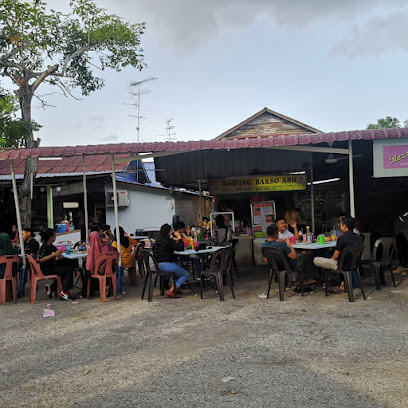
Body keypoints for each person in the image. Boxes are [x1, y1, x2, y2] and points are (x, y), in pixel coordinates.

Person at [313, 216, 363, 290]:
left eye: (341, 225)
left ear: (345, 226)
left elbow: (335, 257)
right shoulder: (359, 238)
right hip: (354, 264)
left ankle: (328, 280)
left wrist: (331, 258)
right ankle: (342, 283)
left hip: (341, 265)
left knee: (315, 259)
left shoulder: (341, 238)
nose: (340, 227)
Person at [153, 223, 189, 298]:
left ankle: (174, 288)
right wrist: (179, 237)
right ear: (168, 232)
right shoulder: (169, 241)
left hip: (157, 266)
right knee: (185, 274)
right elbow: (181, 247)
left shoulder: (156, 241)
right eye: (170, 231)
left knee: (177, 265)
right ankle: (172, 290)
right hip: (167, 265)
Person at [37, 228, 74, 300]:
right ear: (50, 237)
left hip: (52, 266)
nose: (55, 236)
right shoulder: (44, 247)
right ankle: (65, 292)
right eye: (54, 235)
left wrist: (60, 252)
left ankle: (52, 288)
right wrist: (54, 255)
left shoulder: (50, 245)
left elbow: (57, 252)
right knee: (69, 270)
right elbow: (40, 260)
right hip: (46, 269)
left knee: (66, 267)